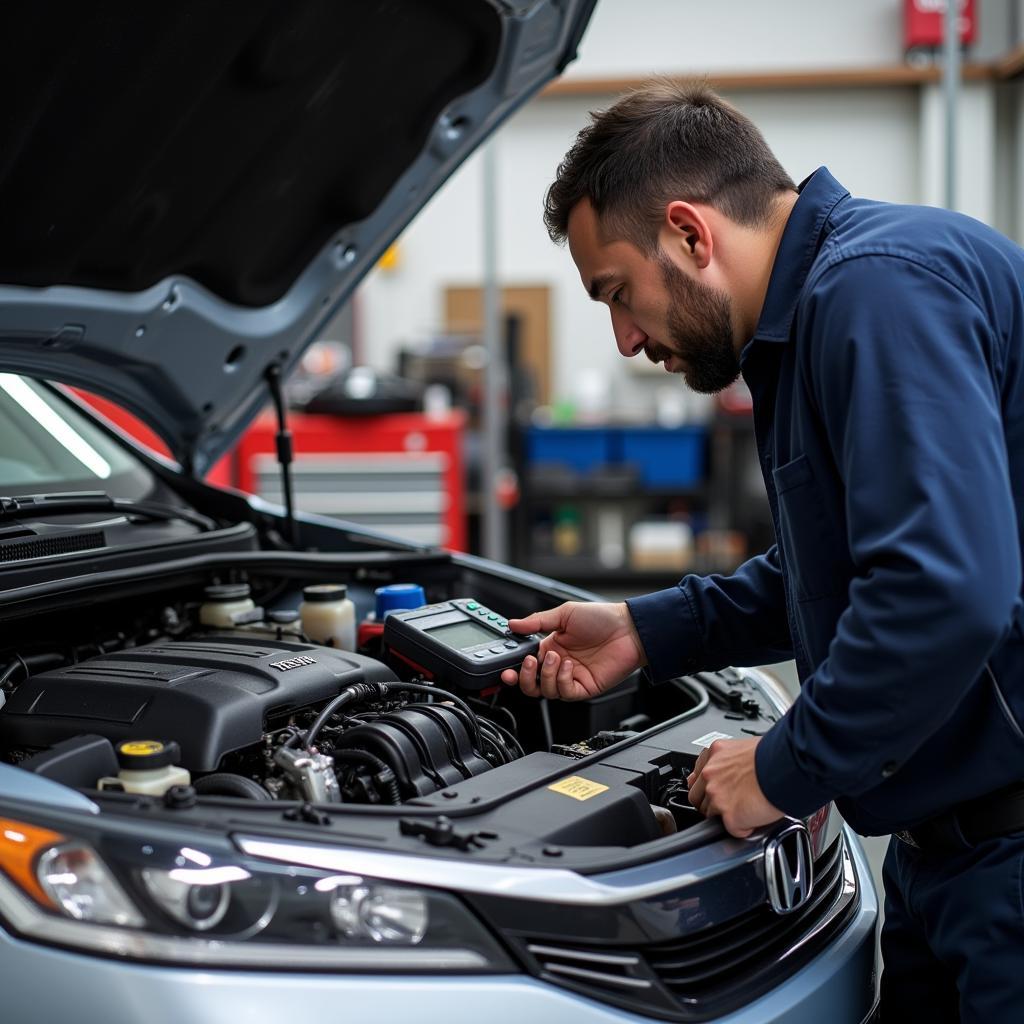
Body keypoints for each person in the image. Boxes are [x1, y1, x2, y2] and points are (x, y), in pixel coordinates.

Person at [500, 81, 1024, 1021]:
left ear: (690, 233)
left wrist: (781, 769)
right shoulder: (814, 315)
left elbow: (941, 593)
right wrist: (643, 630)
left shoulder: (877, 292)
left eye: (618, 293)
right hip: (943, 854)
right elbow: (837, 573)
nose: (622, 339)